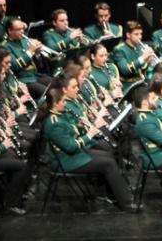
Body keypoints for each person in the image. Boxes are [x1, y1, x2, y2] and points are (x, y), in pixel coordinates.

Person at [43, 79, 136, 211]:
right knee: (108, 164)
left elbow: (70, 132)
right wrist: (89, 135)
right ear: (55, 104)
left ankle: (114, 194)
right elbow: (71, 147)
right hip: (65, 161)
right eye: (63, 101)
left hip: (71, 156)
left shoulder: (59, 115)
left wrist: (80, 127)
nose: (65, 104)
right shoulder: (54, 123)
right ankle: (126, 203)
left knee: (108, 155)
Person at [0, 18, 53, 99]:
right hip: (23, 80)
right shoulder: (4, 47)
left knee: (57, 84)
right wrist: (30, 51)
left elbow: (37, 64)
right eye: (18, 29)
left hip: (35, 76)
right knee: (46, 92)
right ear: (10, 31)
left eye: (23, 29)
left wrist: (37, 53)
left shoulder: (25, 41)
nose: (22, 32)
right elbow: (14, 66)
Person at [111, 21, 157, 92]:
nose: (140, 37)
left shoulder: (139, 47)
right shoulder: (119, 49)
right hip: (128, 86)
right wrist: (143, 58)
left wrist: (148, 61)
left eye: (140, 34)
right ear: (128, 35)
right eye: (136, 34)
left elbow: (142, 70)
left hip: (142, 83)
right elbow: (126, 70)